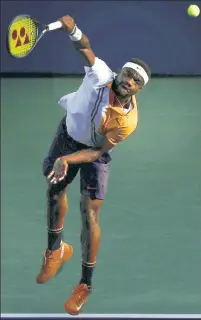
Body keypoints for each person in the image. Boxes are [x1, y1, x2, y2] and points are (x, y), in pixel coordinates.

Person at [36, 15, 151, 315]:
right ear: (120, 71)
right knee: (53, 192)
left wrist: (67, 160)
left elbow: (98, 151)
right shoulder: (99, 74)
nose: (129, 81)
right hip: (68, 135)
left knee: (89, 215)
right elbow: (85, 48)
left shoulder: (126, 121)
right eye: (127, 74)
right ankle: (56, 250)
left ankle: (85, 284)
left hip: (91, 153)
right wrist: (72, 28)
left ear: (139, 89)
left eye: (136, 81)